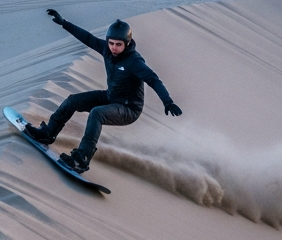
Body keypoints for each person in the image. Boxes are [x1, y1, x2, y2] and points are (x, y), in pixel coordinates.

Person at [25, 9, 182, 173]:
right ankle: (48, 134)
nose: (114, 47)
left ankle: (82, 158)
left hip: (128, 109)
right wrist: (64, 23)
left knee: (97, 113)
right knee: (73, 100)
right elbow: (87, 38)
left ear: (127, 43)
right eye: (111, 43)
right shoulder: (106, 49)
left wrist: (168, 102)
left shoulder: (134, 61)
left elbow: (153, 80)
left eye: (118, 44)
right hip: (111, 97)